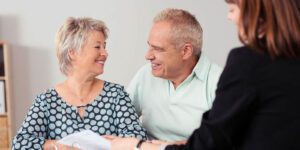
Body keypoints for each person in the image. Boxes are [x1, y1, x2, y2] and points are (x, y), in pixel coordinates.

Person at [109, 0, 300, 149]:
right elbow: (118, 118)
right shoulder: (145, 75)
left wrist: (141, 146)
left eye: (233, 9)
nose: (229, 17)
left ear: (186, 51)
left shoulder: (233, 72)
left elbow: (213, 143)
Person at [12, 17, 147, 150]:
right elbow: (20, 144)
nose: (105, 53)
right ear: (72, 53)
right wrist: (58, 145)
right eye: (97, 47)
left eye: (104, 46)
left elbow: (138, 139)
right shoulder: (47, 101)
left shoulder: (116, 95)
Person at [127, 8, 222, 141]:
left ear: (186, 51)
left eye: (158, 49)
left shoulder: (219, 82)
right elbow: (120, 120)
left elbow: (222, 142)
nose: (148, 55)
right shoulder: (145, 74)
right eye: (149, 46)